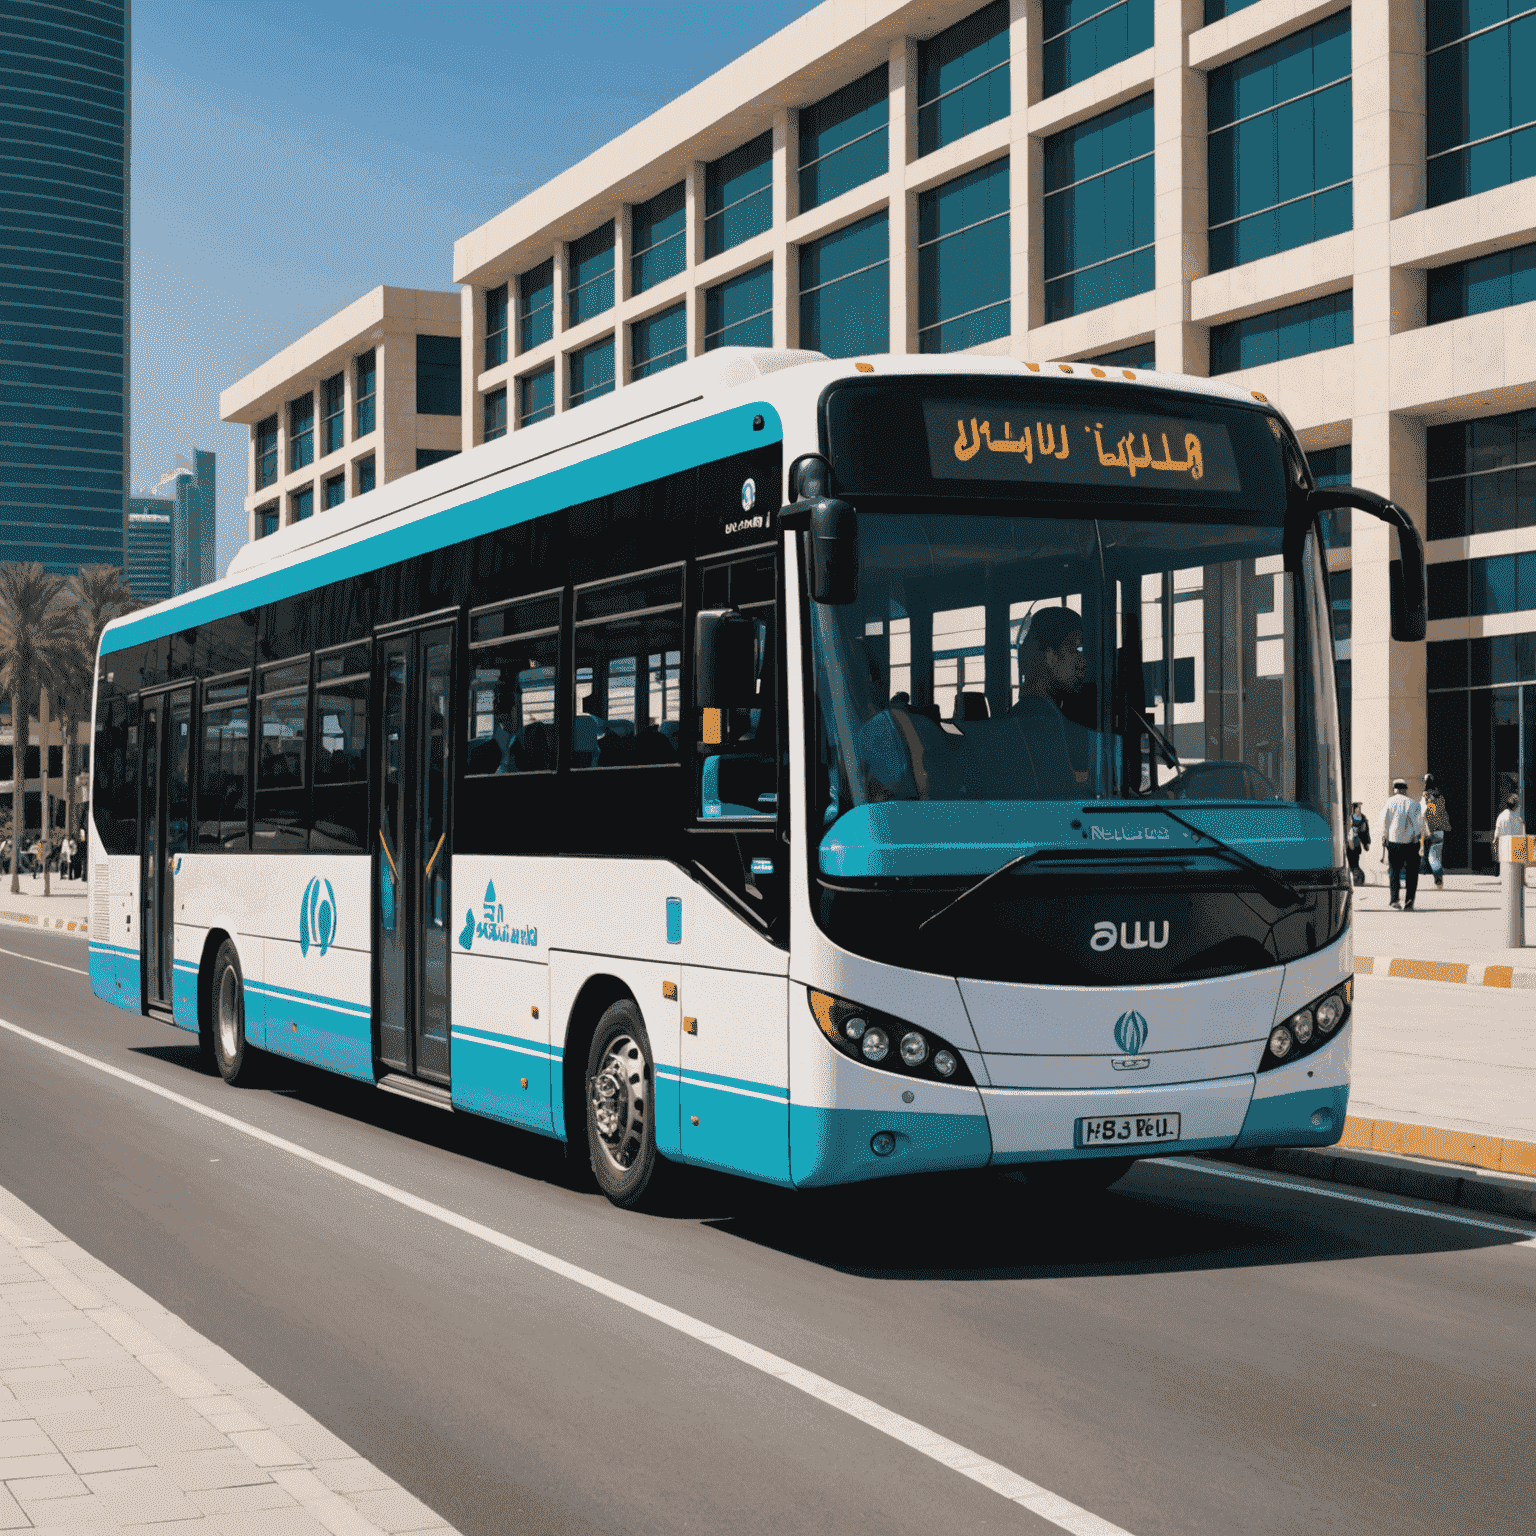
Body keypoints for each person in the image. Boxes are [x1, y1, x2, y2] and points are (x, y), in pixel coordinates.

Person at [1007, 606, 1091, 798]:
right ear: (1049, 655)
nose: (1082, 662)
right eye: (1074, 648)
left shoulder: (1019, 717)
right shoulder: (1052, 728)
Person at [1379, 777, 1424, 910]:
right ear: (1405, 790)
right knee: (1412, 872)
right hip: (1411, 842)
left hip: (1394, 841)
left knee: (1394, 871)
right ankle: (1409, 901)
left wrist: (1384, 836)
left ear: (1395, 789)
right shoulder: (1413, 803)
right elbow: (1418, 824)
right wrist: (1418, 838)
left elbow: (1384, 822)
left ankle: (1394, 900)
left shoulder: (1389, 802)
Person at [1420, 773, 1450, 889]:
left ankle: (1438, 878)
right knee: (1436, 855)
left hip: (1430, 829)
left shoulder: (1425, 796)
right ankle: (1439, 878)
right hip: (1440, 829)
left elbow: (1423, 812)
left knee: (1431, 857)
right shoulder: (1440, 797)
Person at [1493, 793, 1525, 876]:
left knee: (1506, 873)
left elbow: (1496, 836)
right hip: (1518, 848)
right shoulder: (1520, 818)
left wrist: (1495, 851)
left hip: (1504, 849)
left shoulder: (1501, 816)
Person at [1347, 802, 1370, 886]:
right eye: (1358, 808)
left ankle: (1358, 880)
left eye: (1360, 808)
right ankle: (1357, 879)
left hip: (1355, 844)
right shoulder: (1350, 817)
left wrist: (1366, 843)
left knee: (1354, 863)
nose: (1359, 809)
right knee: (1352, 863)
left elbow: (1364, 832)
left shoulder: (1362, 818)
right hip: (1349, 843)